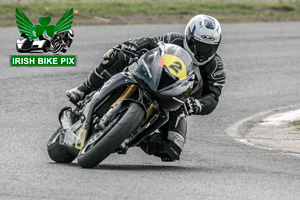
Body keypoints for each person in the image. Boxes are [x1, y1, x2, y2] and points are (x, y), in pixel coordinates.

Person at [67, 14, 226, 161]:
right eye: (199, 45)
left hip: (176, 102)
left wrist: (197, 105)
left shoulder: (216, 67)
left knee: (172, 150)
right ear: (189, 37)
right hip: (149, 76)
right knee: (116, 56)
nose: (203, 53)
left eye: (209, 48)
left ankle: (130, 136)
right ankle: (83, 90)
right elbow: (150, 43)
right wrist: (134, 45)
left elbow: (213, 97)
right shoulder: (173, 38)